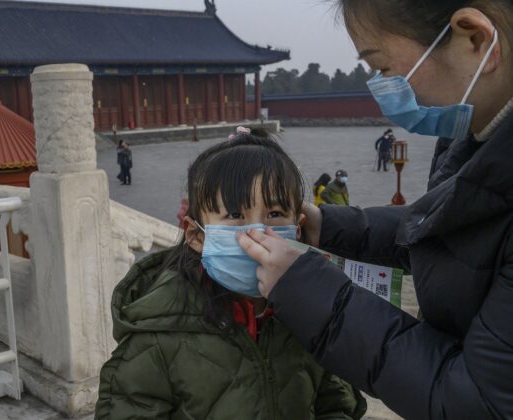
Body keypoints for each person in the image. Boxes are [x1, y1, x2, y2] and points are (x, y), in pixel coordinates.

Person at [237, 2, 513, 419]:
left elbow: (480, 403)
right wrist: (326, 224)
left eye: (381, 66)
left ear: (474, 39)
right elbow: (448, 233)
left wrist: (308, 290)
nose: (382, 87)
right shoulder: (475, 135)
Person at [96, 131, 366, 419]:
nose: (257, 232)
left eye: (274, 213)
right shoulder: (157, 336)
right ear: (195, 235)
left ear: (297, 229)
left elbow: (336, 405)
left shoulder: (314, 320)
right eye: (235, 214)